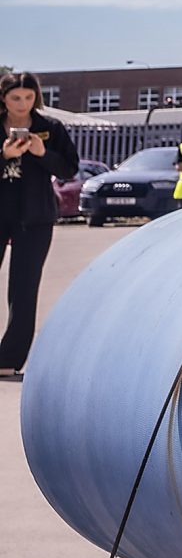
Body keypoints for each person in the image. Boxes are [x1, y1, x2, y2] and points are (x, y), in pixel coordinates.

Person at [0, 72, 79, 377]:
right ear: (4, 98)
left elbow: (70, 169)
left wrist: (42, 153)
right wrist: (4, 155)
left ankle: (7, 359)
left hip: (35, 216)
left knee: (23, 289)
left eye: (29, 98)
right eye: (15, 98)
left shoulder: (50, 127)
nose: (22, 104)